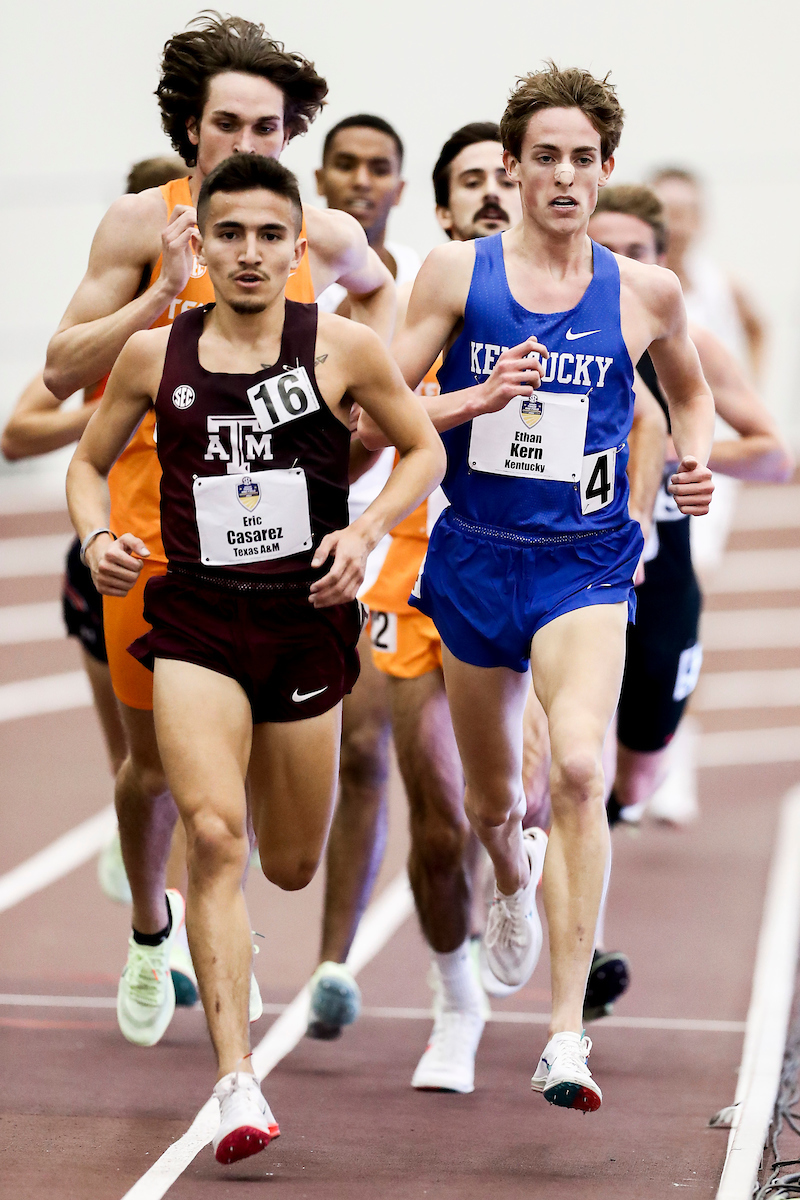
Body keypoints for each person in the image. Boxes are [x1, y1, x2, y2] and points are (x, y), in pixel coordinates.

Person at [66, 154, 444, 1165]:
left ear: (296, 244)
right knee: (214, 835)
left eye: (268, 235)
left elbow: (421, 450)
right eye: (227, 232)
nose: (248, 252)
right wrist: (97, 536)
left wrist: (364, 537)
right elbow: (89, 465)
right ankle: (236, 1079)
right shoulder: (156, 355)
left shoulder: (346, 347)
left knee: (286, 857)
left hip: (301, 625)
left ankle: (239, 941)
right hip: (192, 622)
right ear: (201, 241)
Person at [360, 63, 716, 1110]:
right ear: (509, 168)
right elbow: (382, 402)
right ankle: (510, 884)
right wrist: (481, 394)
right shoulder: (453, 277)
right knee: (491, 801)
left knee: (570, 770)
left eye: (581, 160)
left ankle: (563, 1036)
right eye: (542, 158)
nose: (562, 177)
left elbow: (687, 394)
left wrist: (688, 457)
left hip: (585, 564)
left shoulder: (643, 291)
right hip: (473, 555)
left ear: (605, 170)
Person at [43, 13, 395, 1049]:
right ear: (187, 128)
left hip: (287, 543)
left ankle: (211, 906)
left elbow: (384, 303)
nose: (246, 145)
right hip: (155, 534)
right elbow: (64, 368)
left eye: (268, 127)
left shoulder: (318, 233)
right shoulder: (134, 224)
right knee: (157, 768)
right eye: (225, 124)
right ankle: (155, 931)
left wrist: (367, 418)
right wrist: (157, 295)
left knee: (258, 809)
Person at [1, 154, 188, 915]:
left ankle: (178, 914)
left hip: (203, 557)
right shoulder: (115, 324)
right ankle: (156, 916)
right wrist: (114, 414)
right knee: (141, 767)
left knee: (199, 770)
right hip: (109, 554)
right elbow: (17, 432)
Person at [589, 184, 793, 829]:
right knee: (561, 765)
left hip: (663, 570)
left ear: (662, 260)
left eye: (637, 253)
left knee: (641, 763)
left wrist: (684, 458)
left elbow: (774, 457)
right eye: (606, 251)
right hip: (567, 568)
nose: (621, 267)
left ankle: (620, 807)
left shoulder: (689, 342)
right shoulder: (541, 335)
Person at [305, 114, 420, 1036]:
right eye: (344, 162)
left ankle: (333, 963)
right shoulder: (281, 273)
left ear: (399, 188)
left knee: (363, 753)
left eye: (379, 167)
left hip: (385, 545)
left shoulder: (418, 288)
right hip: (273, 546)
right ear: (319, 174)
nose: (360, 179)